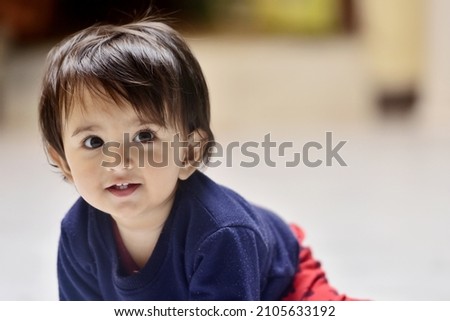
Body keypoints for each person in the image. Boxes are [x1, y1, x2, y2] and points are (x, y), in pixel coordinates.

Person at [38, 16, 351, 300]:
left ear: (188, 153)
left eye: (144, 136)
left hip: (281, 283)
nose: (118, 162)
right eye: (93, 141)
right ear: (64, 161)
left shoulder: (222, 233)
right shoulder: (78, 233)